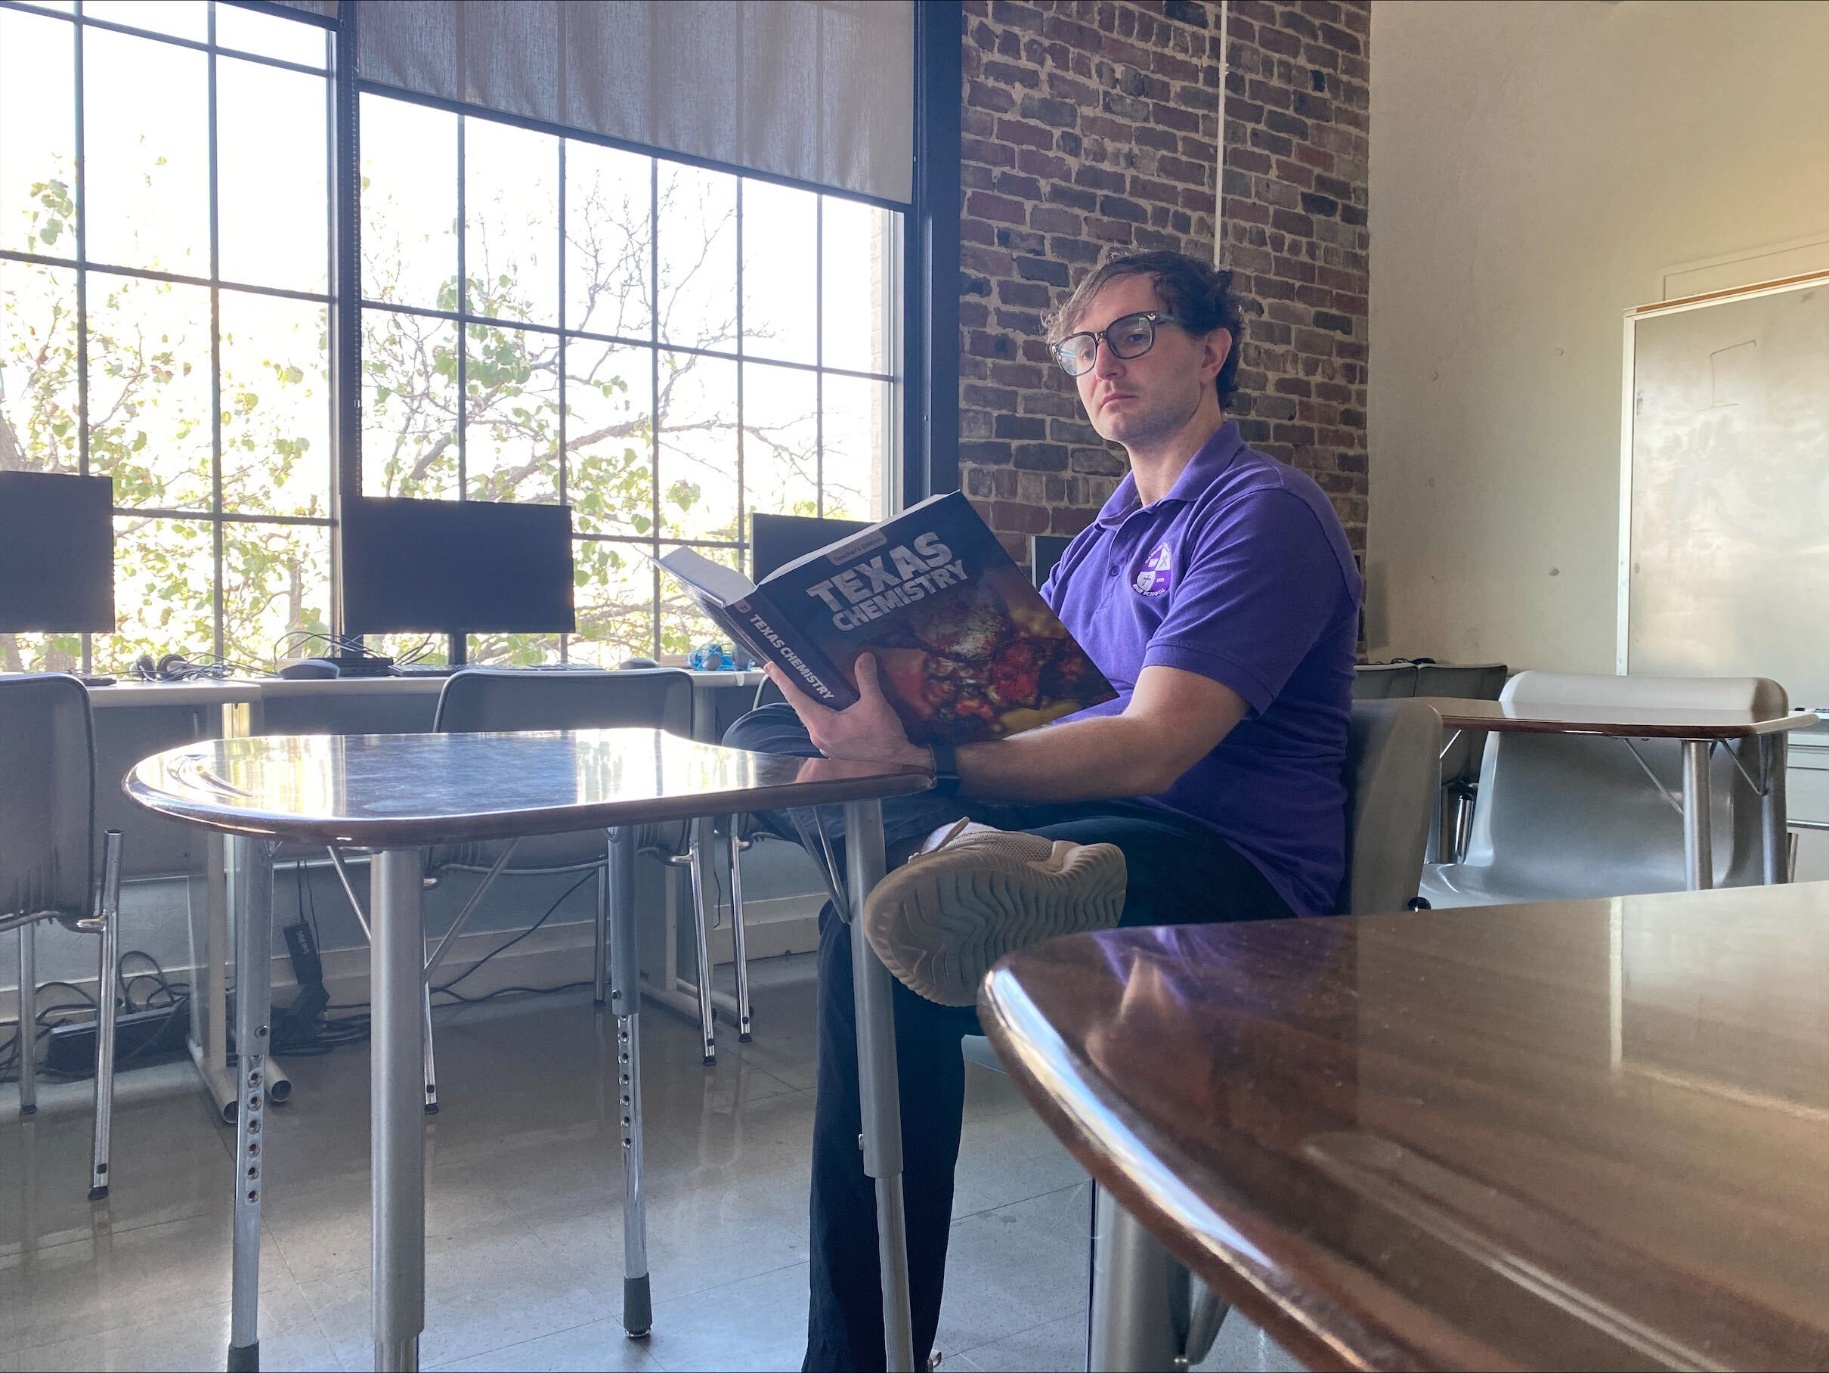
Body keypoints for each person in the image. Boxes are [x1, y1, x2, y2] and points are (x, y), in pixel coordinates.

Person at [722, 248, 1363, 1371]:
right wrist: (890, 711)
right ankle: (945, 854)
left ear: (1211, 352)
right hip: (1072, 830)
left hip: (1221, 868)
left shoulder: (1262, 510)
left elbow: (1158, 745)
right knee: (764, 745)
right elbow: (1030, 721)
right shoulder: (1094, 543)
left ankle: (858, 1359)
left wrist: (921, 768)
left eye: (1133, 333)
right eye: (1080, 347)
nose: (1098, 363)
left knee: (870, 931)